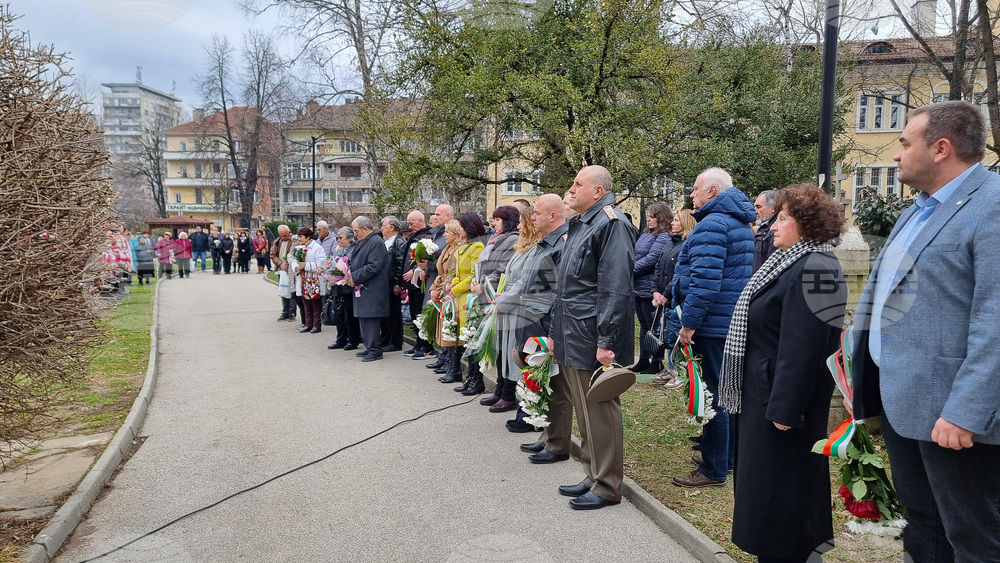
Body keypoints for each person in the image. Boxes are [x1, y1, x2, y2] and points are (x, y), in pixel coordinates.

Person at [852, 101, 1000, 562]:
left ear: (941, 148)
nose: (896, 155)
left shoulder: (991, 206)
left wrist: (966, 411)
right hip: (906, 400)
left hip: (954, 416)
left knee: (974, 539)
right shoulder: (916, 211)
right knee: (923, 524)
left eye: (904, 143)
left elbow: (994, 320)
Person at [720, 184, 846, 563]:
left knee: (783, 501)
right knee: (767, 498)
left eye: (784, 218)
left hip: (783, 408)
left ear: (806, 223)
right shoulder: (792, 260)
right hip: (763, 394)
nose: (774, 225)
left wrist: (785, 410)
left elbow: (804, 347)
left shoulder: (817, 266)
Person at [551, 165, 638, 510]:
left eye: (577, 184)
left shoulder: (612, 223)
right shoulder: (584, 223)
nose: (570, 190)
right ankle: (592, 474)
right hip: (574, 327)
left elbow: (616, 287)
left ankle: (607, 485)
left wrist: (608, 339)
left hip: (591, 331)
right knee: (585, 412)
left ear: (598, 191)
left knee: (600, 410)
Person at [670, 167, 755, 489]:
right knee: (727, 391)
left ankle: (713, 468)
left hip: (711, 323)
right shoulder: (738, 222)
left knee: (712, 395)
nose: (692, 195)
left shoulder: (713, 224)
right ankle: (726, 456)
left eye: (695, 189)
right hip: (728, 321)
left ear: (713, 192)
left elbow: (705, 283)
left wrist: (689, 324)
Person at [501, 194, 571, 460]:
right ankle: (547, 436)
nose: (532, 218)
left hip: (545, 323)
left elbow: (556, 294)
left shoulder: (561, 244)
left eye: (537, 213)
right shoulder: (545, 244)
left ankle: (558, 444)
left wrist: (550, 329)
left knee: (555, 386)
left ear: (553, 215)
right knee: (542, 382)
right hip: (532, 320)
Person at [469, 205, 521, 399]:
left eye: (497, 219)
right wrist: (477, 280)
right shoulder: (496, 238)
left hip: (499, 298)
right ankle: (499, 389)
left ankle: (506, 392)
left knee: (504, 348)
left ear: (507, 221)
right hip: (488, 297)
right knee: (498, 348)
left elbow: (502, 269)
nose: (493, 222)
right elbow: (486, 266)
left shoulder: (512, 239)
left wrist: (482, 285)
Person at [437, 213, 486, 385]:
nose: (459, 230)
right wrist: (452, 285)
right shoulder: (464, 246)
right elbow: (458, 273)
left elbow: (474, 274)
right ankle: (462, 373)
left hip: (468, 298)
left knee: (469, 338)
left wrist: (456, 288)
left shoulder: (477, 247)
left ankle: (475, 378)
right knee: (457, 335)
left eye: (462, 227)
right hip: (457, 297)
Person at [650, 209, 696, 385]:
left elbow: (679, 274)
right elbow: (658, 268)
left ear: (685, 222)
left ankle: (679, 372)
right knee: (667, 333)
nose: (672, 223)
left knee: (676, 334)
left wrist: (666, 294)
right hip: (662, 297)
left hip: (675, 298)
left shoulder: (686, 244)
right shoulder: (669, 243)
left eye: (676, 220)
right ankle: (670, 369)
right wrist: (655, 290)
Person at [632, 202, 673, 374]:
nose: (649, 218)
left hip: (651, 286)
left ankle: (656, 361)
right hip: (638, 285)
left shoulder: (663, 236)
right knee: (643, 324)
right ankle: (643, 359)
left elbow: (651, 259)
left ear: (661, 218)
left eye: (652, 215)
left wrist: (629, 269)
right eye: (648, 215)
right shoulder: (646, 234)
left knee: (654, 325)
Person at [345, 217, 389, 362]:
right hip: (363, 287)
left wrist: (354, 277)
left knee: (371, 319)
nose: (354, 234)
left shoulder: (375, 242)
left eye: (356, 231)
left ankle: (375, 350)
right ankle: (370, 347)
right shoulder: (364, 241)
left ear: (365, 229)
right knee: (364, 318)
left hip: (372, 288)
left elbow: (373, 266)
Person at [423, 204, 455, 374]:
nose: (435, 217)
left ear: (448, 216)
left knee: (447, 325)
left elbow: (447, 268)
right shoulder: (438, 235)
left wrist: (427, 264)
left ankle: (448, 360)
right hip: (438, 284)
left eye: (438, 214)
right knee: (442, 325)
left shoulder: (452, 244)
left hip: (448, 288)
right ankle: (444, 358)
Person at [401, 210, 435, 359]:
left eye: (412, 223)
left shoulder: (427, 236)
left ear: (421, 220)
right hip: (411, 285)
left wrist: (414, 270)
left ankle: (427, 346)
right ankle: (418, 344)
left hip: (420, 283)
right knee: (415, 315)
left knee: (421, 315)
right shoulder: (415, 236)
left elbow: (426, 258)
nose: (409, 226)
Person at [328, 227, 362, 351]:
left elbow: (354, 265)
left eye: (341, 238)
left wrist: (345, 273)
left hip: (349, 286)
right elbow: (333, 264)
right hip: (338, 286)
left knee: (350, 314)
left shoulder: (354, 250)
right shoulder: (338, 250)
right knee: (339, 314)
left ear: (349, 238)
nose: (338, 240)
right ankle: (340, 339)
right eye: (337, 238)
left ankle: (353, 340)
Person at [288, 227, 327, 333]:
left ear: (308, 237)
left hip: (314, 280)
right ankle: (308, 324)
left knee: (315, 303)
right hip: (303, 279)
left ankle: (316, 325)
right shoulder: (299, 248)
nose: (299, 239)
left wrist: (305, 265)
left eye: (301, 236)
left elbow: (321, 264)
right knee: (306, 303)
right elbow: (294, 260)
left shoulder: (317, 248)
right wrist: (296, 267)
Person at [380, 216, 408, 352]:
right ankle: (386, 339)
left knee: (394, 313)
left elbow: (400, 264)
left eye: (383, 226)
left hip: (392, 283)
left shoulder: (399, 242)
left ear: (392, 227)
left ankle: (396, 341)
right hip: (384, 283)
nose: (381, 228)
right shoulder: (387, 241)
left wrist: (398, 283)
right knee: (386, 313)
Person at [270, 225, 297, 322]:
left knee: (292, 291)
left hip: (291, 269)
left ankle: (292, 312)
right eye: (281, 236)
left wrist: (288, 262)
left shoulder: (294, 240)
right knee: (283, 291)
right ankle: (285, 312)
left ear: (289, 232)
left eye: (285, 235)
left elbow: (296, 254)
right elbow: (273, 255)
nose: (283, 238)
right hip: (281, 269)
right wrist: (280, 263)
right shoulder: (277, 241)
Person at [752, 189, 777, 272]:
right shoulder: (764, 228)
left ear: (773, 208)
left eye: (758, 207)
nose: (755, 211)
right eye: (754, 206)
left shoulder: (776, 230)